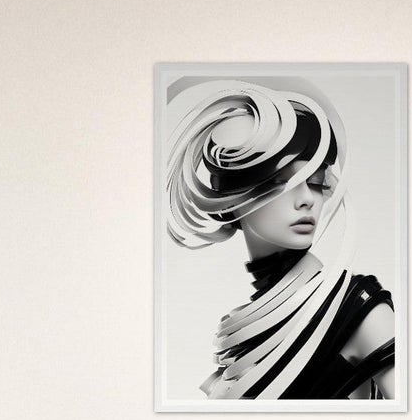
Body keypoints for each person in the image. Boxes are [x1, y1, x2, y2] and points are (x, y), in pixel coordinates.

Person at [165, 80, 396, 400]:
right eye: (281, 182)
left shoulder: (359, 311)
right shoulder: (238, 339)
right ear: (231, 197)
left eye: (316, 182)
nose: (307, 200)